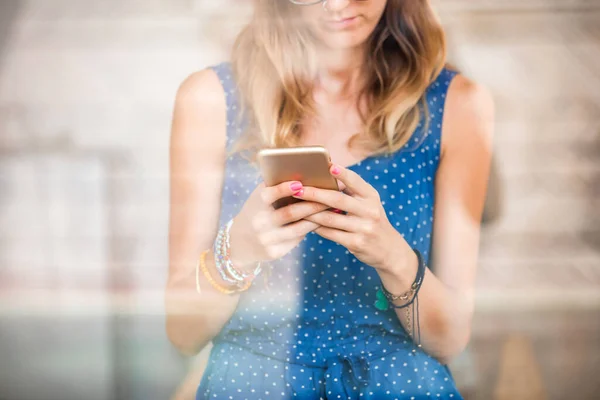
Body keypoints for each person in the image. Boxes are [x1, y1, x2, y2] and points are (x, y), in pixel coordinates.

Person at [166, 0, 494, 398]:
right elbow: (183, 333)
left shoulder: (458, 104)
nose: (338, 3)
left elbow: (451, 340)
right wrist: (239, 251)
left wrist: (391, 255)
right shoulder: (209, 99)